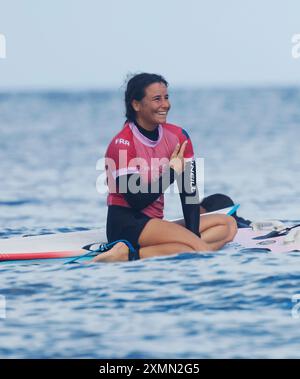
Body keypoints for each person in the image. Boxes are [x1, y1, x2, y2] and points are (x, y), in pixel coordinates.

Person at [93, 73, 237, 262]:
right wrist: (172, 173)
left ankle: (154, 251)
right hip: (127, 225)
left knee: (227, 225)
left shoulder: (178, 136)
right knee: (197, 247)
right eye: (156, 99)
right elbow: (137, 201)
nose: (165, 105)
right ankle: (127, 252)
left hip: (155, 224)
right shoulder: (123, 144)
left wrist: (193, 236)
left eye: (166, 97)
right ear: (136, 105)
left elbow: (190, 195)